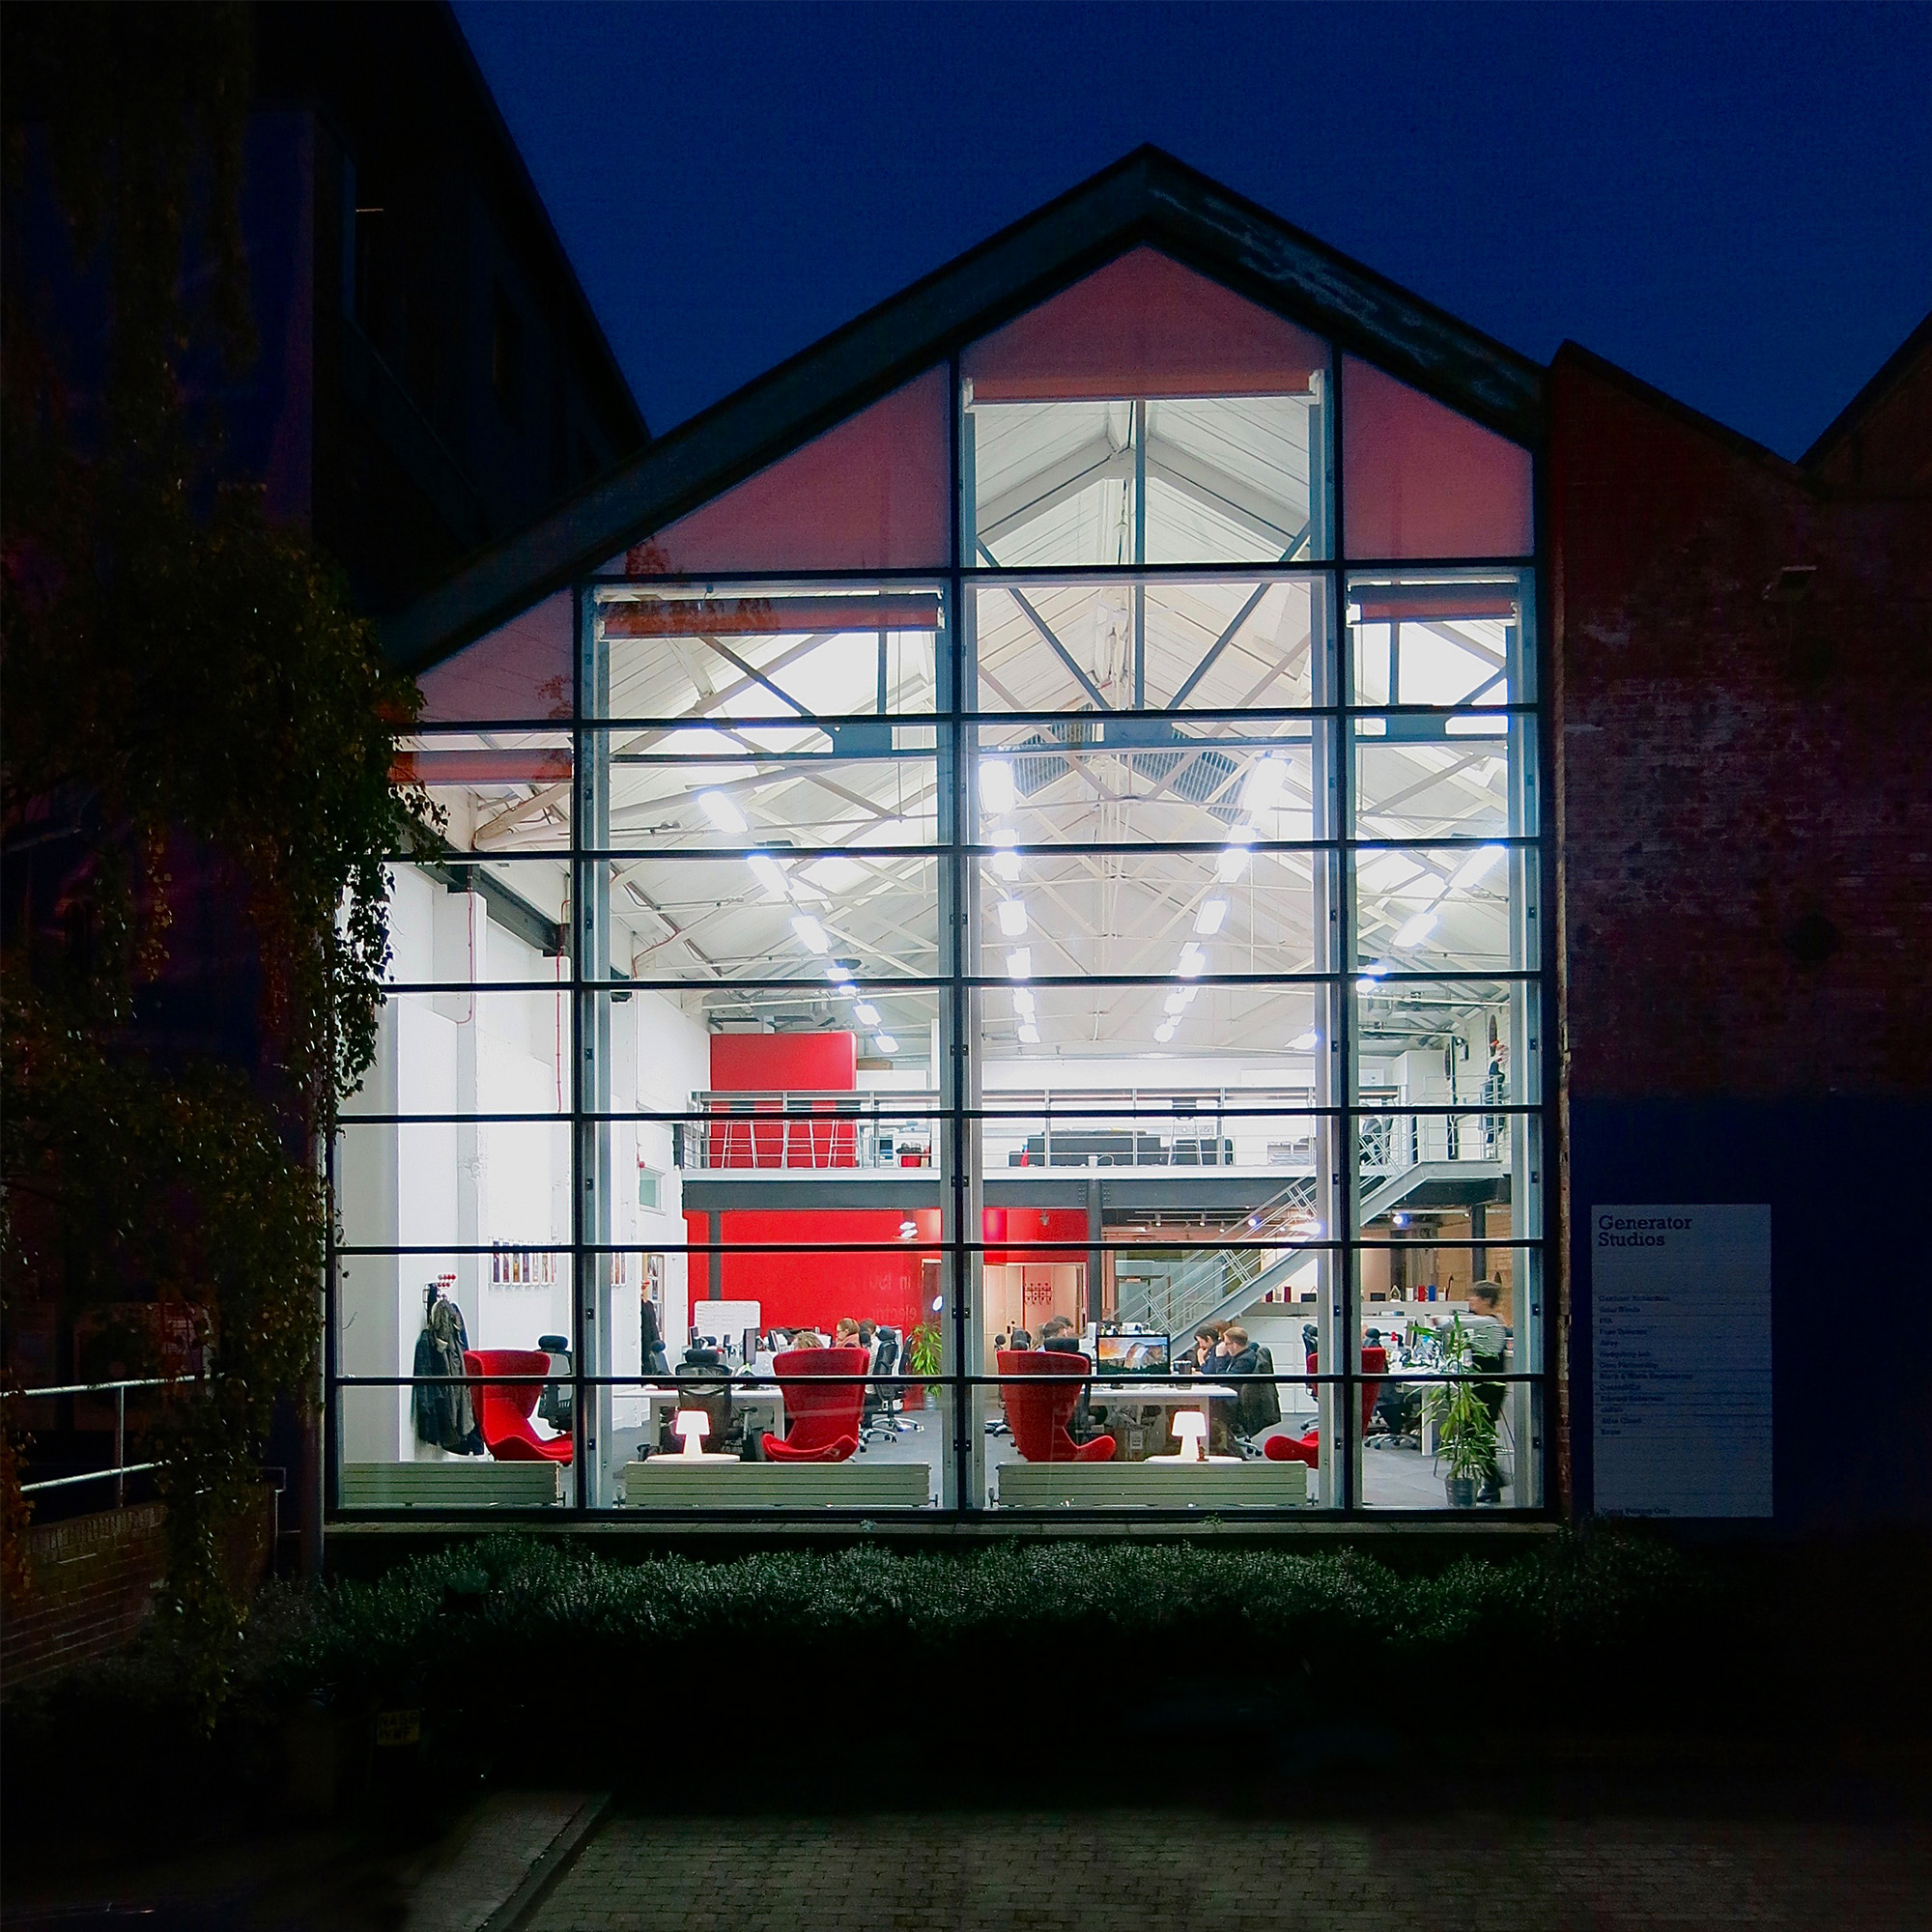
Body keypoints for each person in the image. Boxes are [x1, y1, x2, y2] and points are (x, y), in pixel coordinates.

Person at [1218, 1323, 1280, 1441]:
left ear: (1235, 1345)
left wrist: (1220, 1357)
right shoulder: (1241, 1356)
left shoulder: (1245, 1360)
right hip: (1235, 1400)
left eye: (1226, 1344)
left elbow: (1224, 1381)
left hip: (1237, 1405)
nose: (1224, 1347)